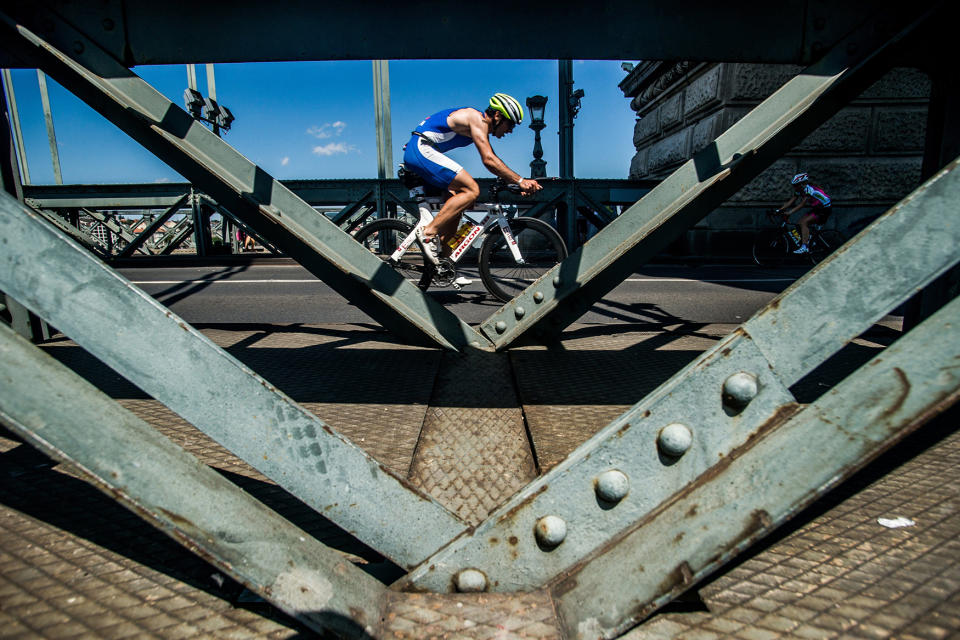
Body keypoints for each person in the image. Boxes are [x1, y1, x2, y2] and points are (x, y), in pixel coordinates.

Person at [403, 93, 543, 263]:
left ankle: (443, 264)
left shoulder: (479, 127)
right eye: (510, 124)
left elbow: (495, 161)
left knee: (456, 202)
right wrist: (521, 180)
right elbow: (489, 160)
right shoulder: (476, 118)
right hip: (421, 149)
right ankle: (427, 233)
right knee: (472, 189)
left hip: (421, 151)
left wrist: (514, 184)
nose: (511, 130)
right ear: (498, 115)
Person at [776, 172, 831, 254]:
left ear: (802, 184)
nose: (794, 188)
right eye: (794, 186)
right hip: (817, 208)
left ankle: (805, 247)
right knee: (799, 223)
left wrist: (789, 213)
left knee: (804, 222)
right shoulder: (800, 190)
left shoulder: (809, 189)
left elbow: (802, 204)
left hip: (824, 209)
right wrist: (779, 210)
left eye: (796, 185)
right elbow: (791, 201)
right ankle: (809, 241)